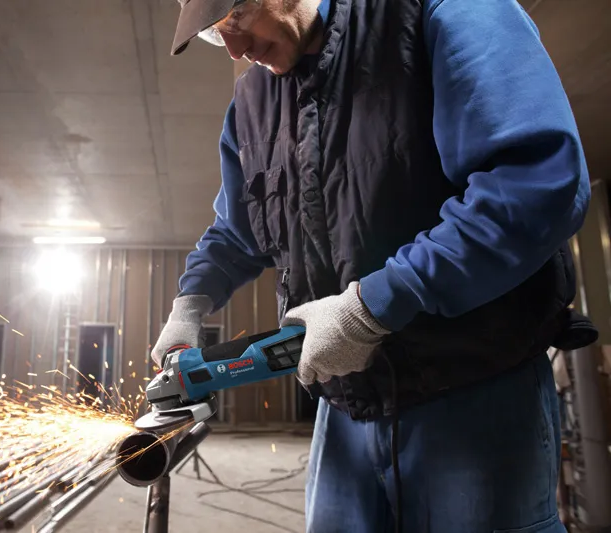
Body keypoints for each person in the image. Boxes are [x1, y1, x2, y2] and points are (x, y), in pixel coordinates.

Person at [152, 0, 597, 531]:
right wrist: (191, 303)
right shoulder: (251, 102)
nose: (234, 47)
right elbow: (235, 232)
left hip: (472, 391)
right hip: (344, 410)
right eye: (214, 34)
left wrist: (375, 306)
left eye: (237, 18)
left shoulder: (439, 14)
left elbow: (533, 186)